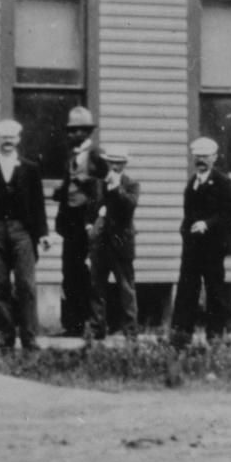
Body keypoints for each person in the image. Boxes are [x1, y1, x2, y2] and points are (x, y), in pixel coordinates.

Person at [0, 119, 50, 351]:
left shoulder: (30, 168)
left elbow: (38, 205)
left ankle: (29, 337)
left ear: (18, 139)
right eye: (3, 137)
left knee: (26, 284)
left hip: (22, 232)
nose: (7, 141)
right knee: (0, 285)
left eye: (11, 137)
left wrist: (42, 234)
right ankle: (6, 337)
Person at [170, 136, 231, 347]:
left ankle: (215, 335)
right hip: (192, 247)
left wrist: (207, 224)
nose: (201, 160)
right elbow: (188, 214)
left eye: (206, 156)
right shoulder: (192, 183)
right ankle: (182, 335)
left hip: (214, 247)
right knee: (187, 290)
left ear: (215, 157)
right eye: (198, 156)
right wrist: (185, 231)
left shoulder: (223, 183)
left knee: (215, 291)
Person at [54, 106, 108, 336]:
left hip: (88, 219)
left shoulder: (97, 154)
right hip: (71, 221)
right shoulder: (72, 156)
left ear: (88, 132)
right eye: (70, 130)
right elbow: (69, 184)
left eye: (77, 130)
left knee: (88, 272)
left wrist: (86, 181)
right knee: (70, 271)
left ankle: (92, 323)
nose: (72, 135)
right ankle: (72, 325)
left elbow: (105, 183)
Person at [85, 145, 140, 345]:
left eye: (119, 162)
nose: (115, 166)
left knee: (126, 289)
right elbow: (90, 208)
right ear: (107, 163)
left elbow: (129, 207)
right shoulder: (97, 184)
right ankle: (96, 330)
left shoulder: (131, 184)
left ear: (125, 164)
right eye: (111, 162)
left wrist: (116, 188)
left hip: (121, 243)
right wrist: (90, 225)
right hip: (100, 243)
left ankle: (131, 334)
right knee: (96, 288)